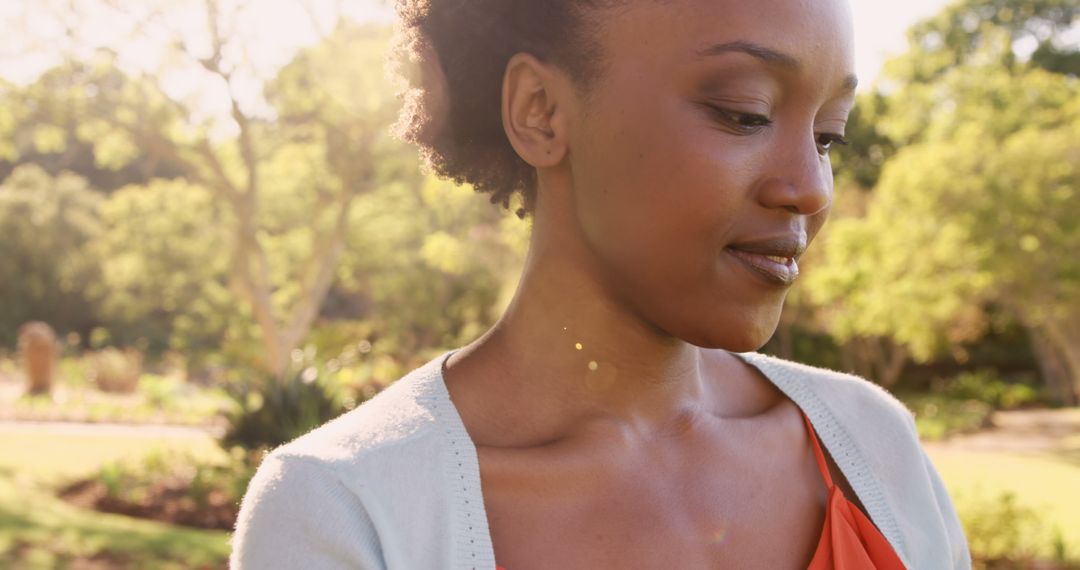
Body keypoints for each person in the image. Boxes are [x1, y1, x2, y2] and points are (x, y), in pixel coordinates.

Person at [231, 0, 971, 568]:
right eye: (743, 112)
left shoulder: (871, 446)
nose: (811, 189)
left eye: (828, 135)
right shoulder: (345, 510)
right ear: (541, 111)